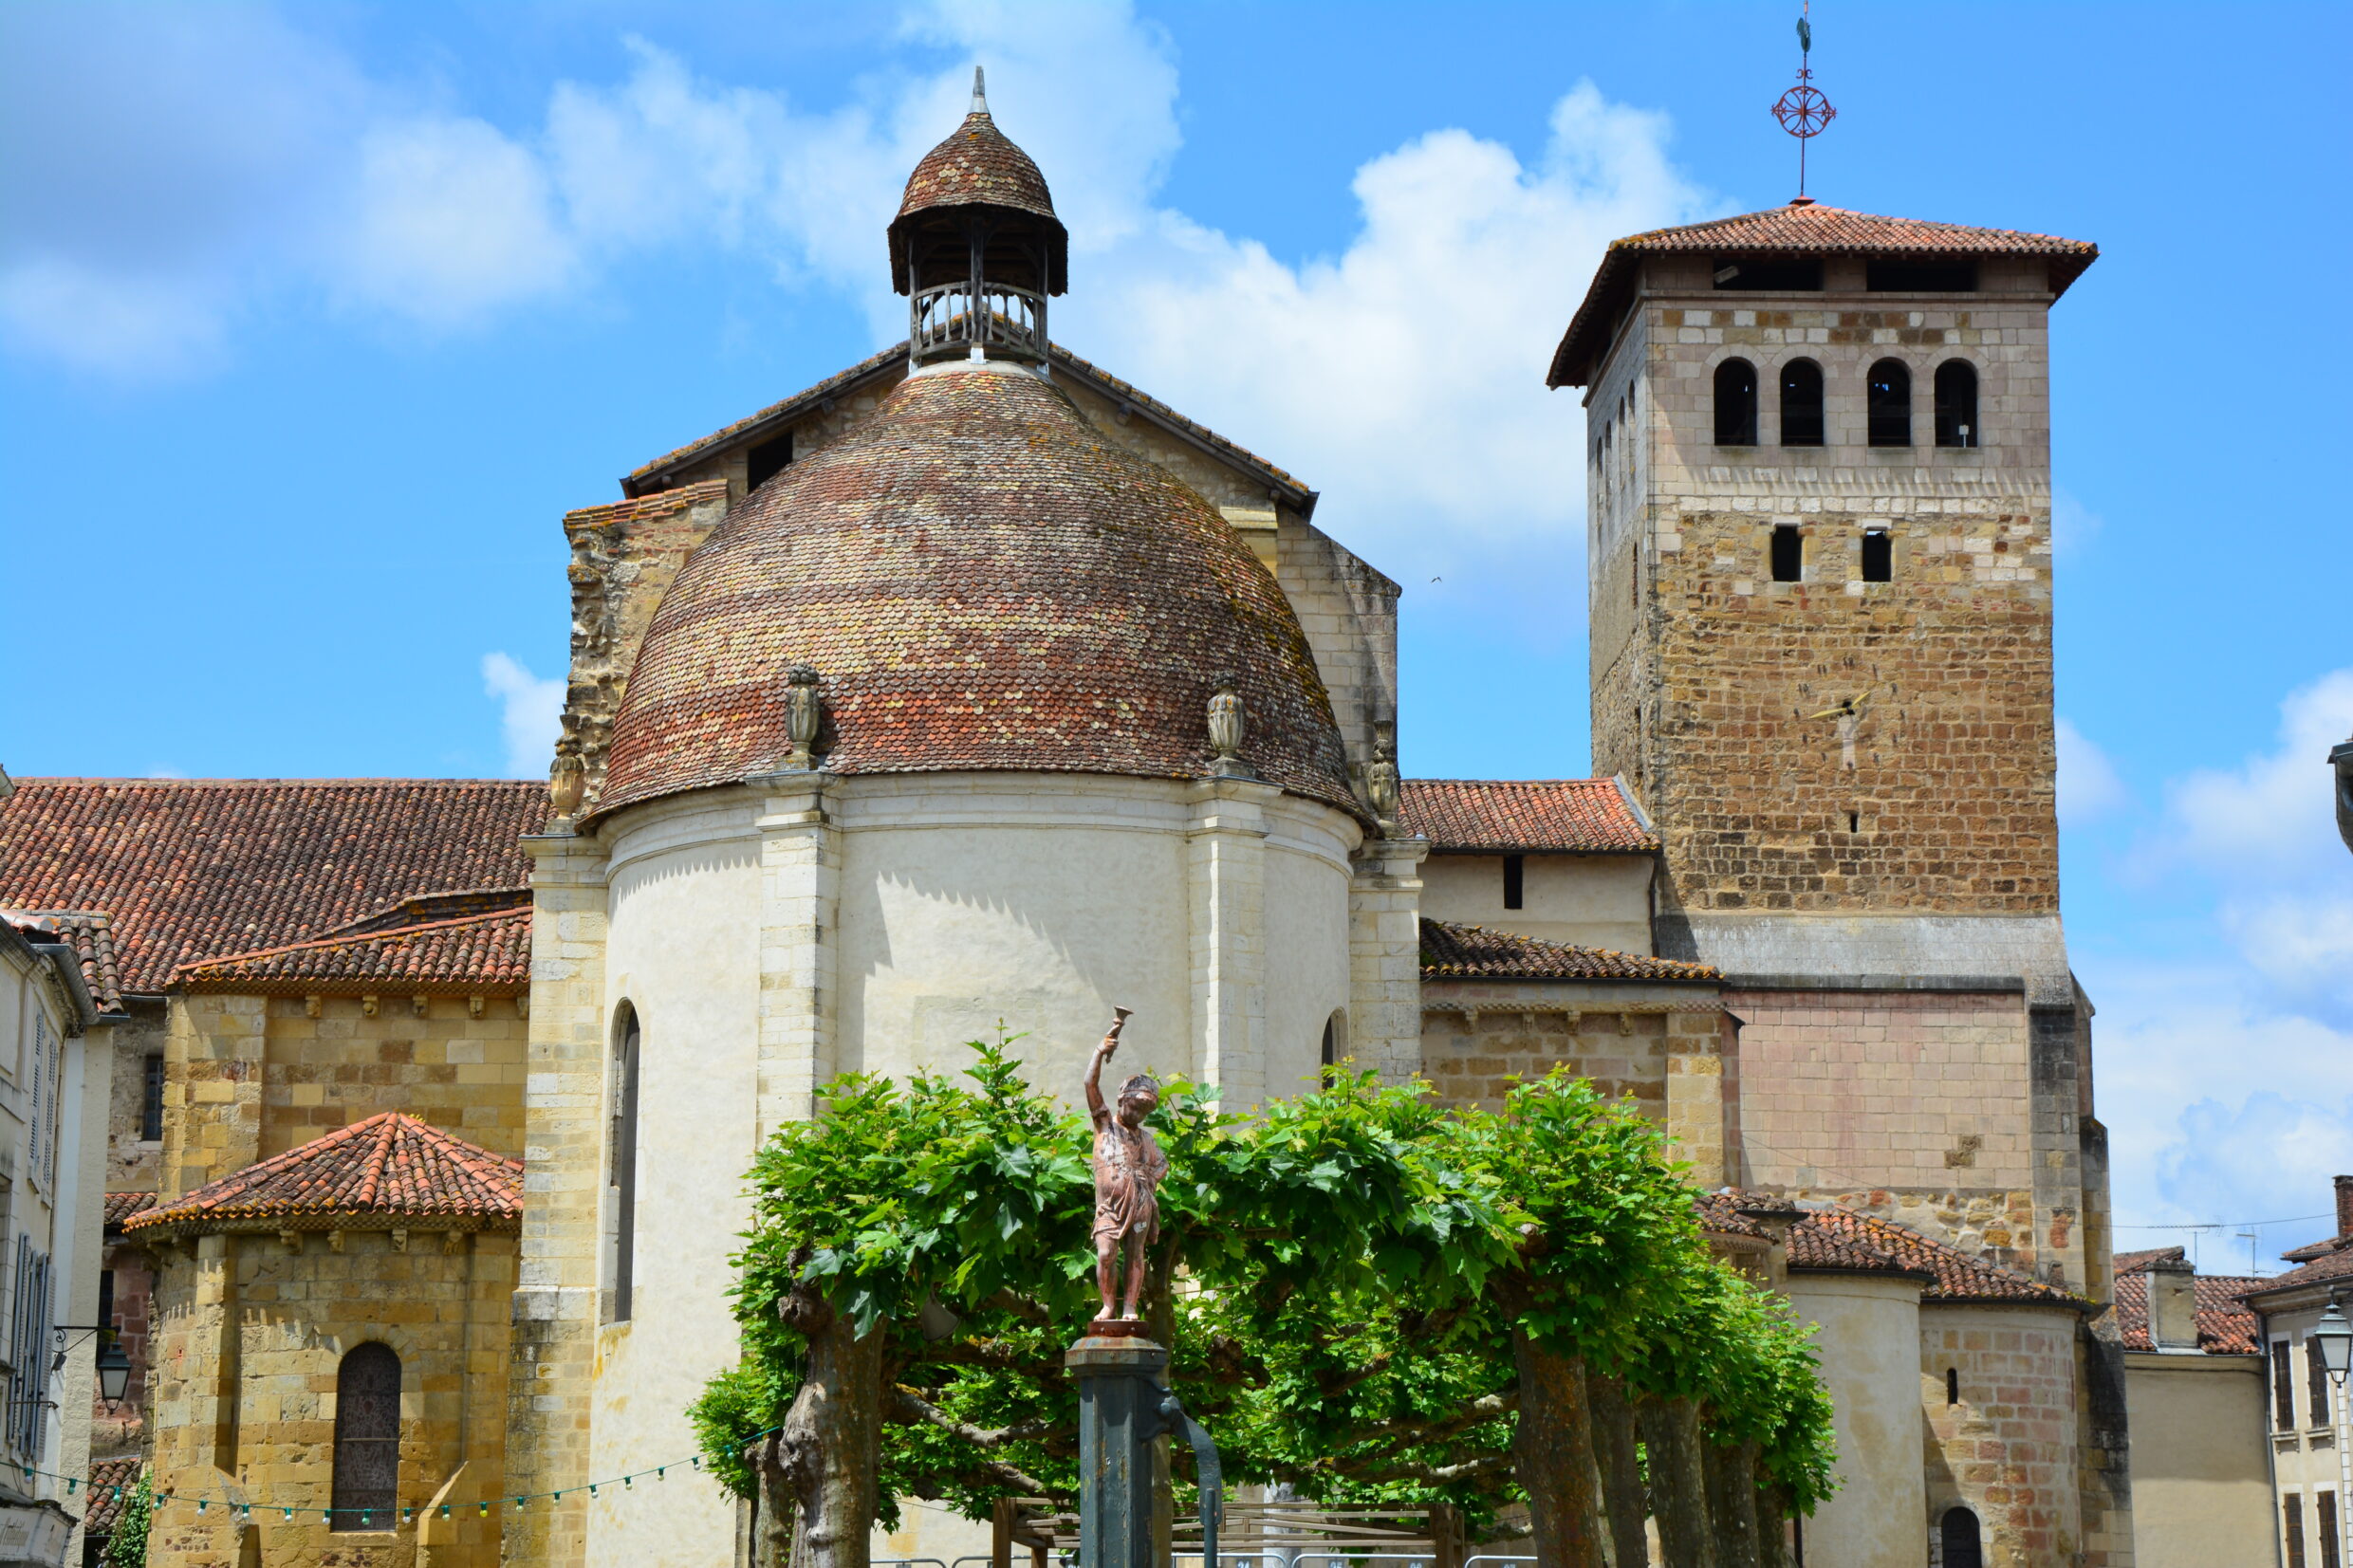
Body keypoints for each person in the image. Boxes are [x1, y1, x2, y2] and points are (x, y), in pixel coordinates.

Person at [1084, 1009, 1166, 1320]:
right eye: (1134, 1107)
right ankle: (1108, 1305)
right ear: (1122, 1100)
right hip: (1108, 1206)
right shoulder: (1105, 1124)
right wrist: (1099, 1052)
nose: (1138, 1116)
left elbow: (1161, 1165)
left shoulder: (1145, 1138)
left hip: (1140, 1203)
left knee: (1135, 1253)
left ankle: (1130, 1308)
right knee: (1105, 1253)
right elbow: (1089, 1084)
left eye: (1144, 1112)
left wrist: (1146, 1176)